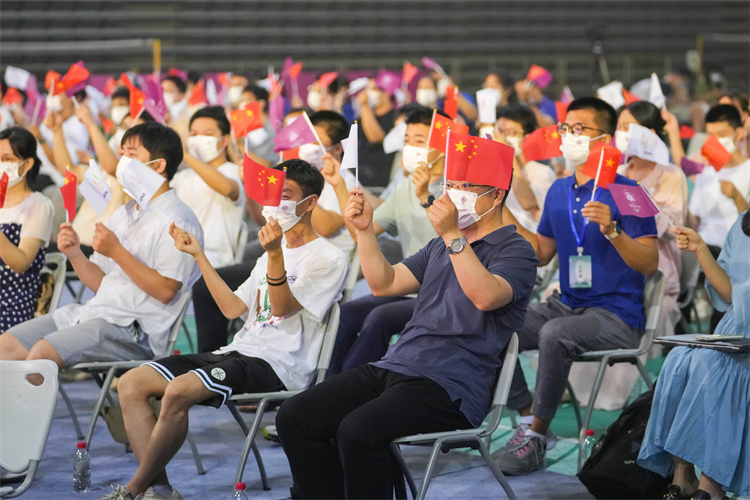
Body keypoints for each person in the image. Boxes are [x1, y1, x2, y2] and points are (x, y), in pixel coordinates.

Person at [276, 150, 538, 499]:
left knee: (358, 430)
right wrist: (366, 232)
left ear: (497, 195)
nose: (454, 193)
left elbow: (485, 297)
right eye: (450, 184)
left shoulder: (516, 249)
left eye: (466, 186)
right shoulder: (439, 246)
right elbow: (385, 284)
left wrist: (452, 236)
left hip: (452, 384)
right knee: (296, 414)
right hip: (399, 364)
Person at [99, 160, 347, 500]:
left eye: (286, 195)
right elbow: (233, 308)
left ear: (311, 202)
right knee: (131, 383)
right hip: (237, 352)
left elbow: (281, 308)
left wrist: (275, 253)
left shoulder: (329, 258)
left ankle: (133, 489)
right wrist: (199, 255)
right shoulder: (270, 255)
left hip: (278, 364)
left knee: (177, 392)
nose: (274, 205)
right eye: (272, 195)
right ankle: (159, 491)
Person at [495, 96, 658, 475]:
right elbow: (541, 254)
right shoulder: (558, 190)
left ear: (604, 139)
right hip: (568, 304)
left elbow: (649, 263)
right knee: (495, 320)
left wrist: (614, 231)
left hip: (617, 314)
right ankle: (526, 418)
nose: (569, 136)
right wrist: (502, 206)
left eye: (579, 129)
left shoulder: (630, 191)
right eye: (565, 128)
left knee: (554, 333)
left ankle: (536, 436)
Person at [0, 122, 203, 371]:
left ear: (159, 165)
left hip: (135, 328)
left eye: (132, 155)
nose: (123, 164)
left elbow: (165, 291)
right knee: (6, 346)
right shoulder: (124, 213)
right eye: (123, 155)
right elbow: (101, 282)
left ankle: (26, 411)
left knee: (42, 354)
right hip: (96, 313)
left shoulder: (179, 219)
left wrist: (117, 251)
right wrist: (75, 253)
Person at [323, 106, 445, 376]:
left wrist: (425, 195)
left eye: (420, 141)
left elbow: (449, 235)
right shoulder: (404, 187)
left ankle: (351, 389)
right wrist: (339, 185)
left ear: (442, 145)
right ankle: (326, 389)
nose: (410, 148)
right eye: (407, 141)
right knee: (348, 313)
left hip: (444, 292)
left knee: (379, 318)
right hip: (409, 287)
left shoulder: (456, 188)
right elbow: (361, 231)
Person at [637, 213, 750, 500]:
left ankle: (712, 484)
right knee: (679, 361)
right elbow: (728, 294)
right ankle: (682, 474)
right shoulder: (743, 222)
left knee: (717, 367)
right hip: (737, 326)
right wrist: (700, 248)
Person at [616, 101, 688, 337]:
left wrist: (640, 200)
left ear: (650, 134)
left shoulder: (671, 174)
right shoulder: (617, 173)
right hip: (619, 261)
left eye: (628, 127)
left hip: (658, 264)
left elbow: (673, 227)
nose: (621, 134)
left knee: (660, 311)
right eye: (619, 127)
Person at [173, 105, 244, 268]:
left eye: (208, 134)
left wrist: (186, 156)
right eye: (194, 134)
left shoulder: (234, 172)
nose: (198, 139)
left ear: (224, 140)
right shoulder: (183, 176)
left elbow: (227, 188)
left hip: (214, 260)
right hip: (179, 254)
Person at [0, 127, 53, 330]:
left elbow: (21, 263)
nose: (1, 165)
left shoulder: (38, 205)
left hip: (12, 300)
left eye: (8, 159)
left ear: (27, 163)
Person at [689, 104, 750, 253]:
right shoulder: (705, 173)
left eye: (722, 134)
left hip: (735, 253)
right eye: (711, 135)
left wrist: (737, 198)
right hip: (703, 252)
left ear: (739, 133)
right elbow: (694, 220)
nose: (716, 141)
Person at [495, 103, 556, 231]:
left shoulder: (543, 172)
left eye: (510, 132)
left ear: (528, 136)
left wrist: (508, 154)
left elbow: (529, 203)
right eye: (499, 132)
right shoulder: (494, 170)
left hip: (527, 240)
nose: (502, 138)